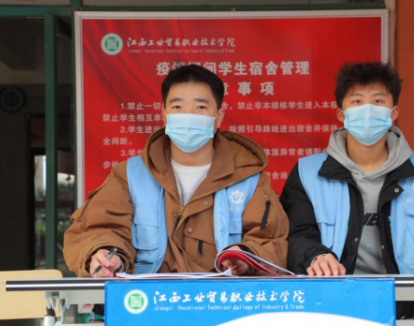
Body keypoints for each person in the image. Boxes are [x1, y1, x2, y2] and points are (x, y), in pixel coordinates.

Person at [280, 62, 414, 320]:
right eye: (357, 101)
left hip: (411, 311)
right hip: (331, 311)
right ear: (341, 113)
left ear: (393, 112)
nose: (367, 110)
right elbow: (294, 233)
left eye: (377, 101)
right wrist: (314, 256)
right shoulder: (307, 172)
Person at [64, 65, 289, 278]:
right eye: (178, 107)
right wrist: (105, 254)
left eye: (200, 107)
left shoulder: (249, 179)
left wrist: (247, 257)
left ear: (219, 116)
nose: (188, 116)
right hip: (147, 300)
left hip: (222, 298)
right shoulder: (129, 176)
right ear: (164, 115)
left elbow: (272, 242)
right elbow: (99, 228)